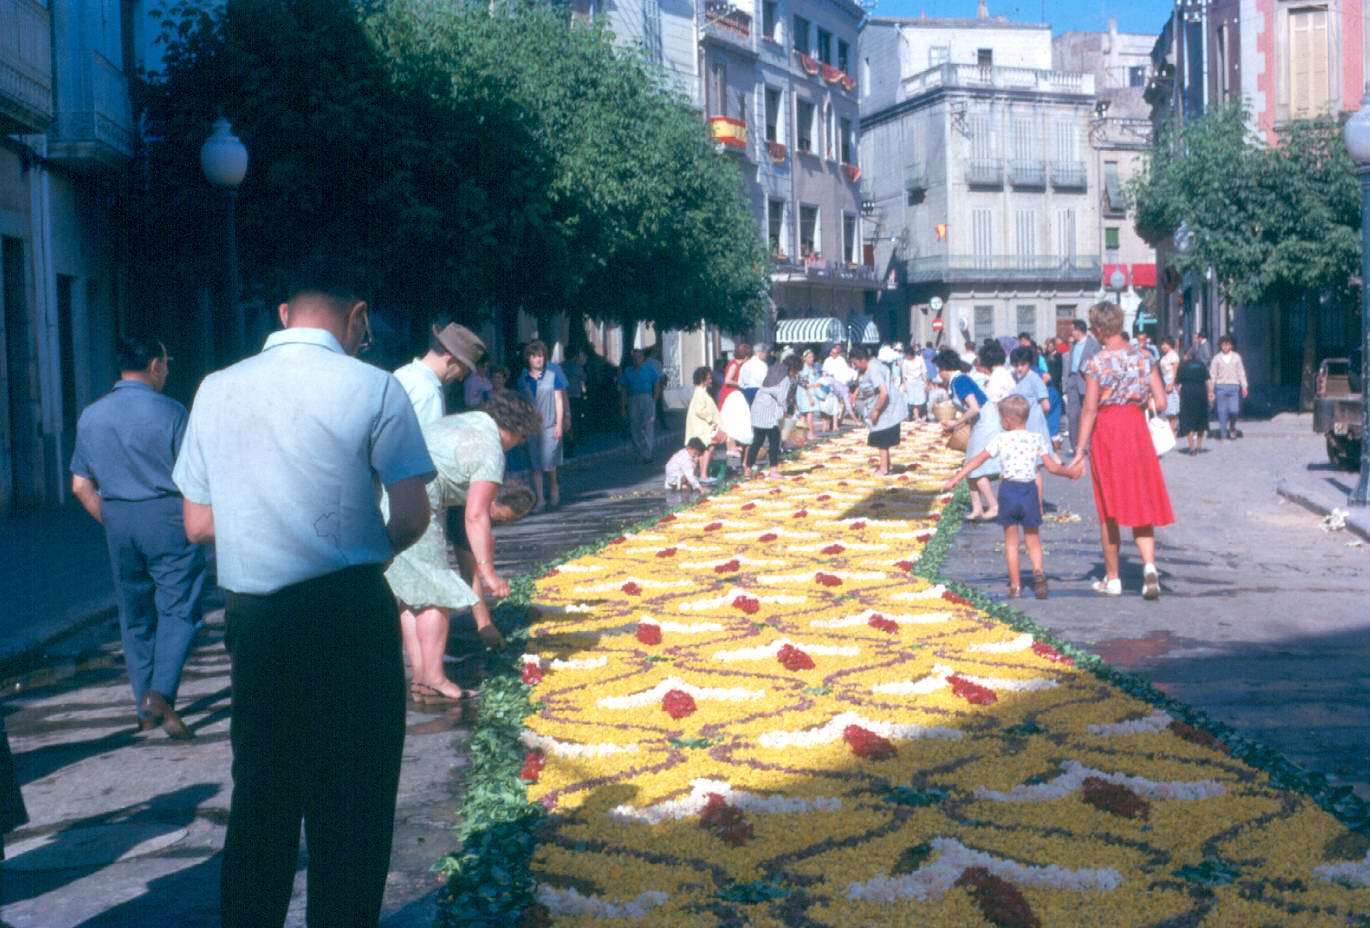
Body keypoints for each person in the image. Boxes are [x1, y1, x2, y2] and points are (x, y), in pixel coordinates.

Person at [172, 258, 438, 926]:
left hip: (257, 621)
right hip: (348, 612)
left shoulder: (215, 388)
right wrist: (365, 554)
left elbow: (198, 522)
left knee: (262, 796)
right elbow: (410, 516)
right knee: (352, 804)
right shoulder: (375, 388)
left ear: (284, 314)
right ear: (356, 317)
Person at [70, 335, 207, 740]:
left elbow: (80, 485)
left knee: (135, 616)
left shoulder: (91, 416)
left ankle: (142, 708)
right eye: (166, 362)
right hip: (167, 517)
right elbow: (193, 478)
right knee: (180, 608)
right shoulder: (171, 412)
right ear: (153, 366)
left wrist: (111, 519)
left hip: (118, 519)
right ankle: (160, 694)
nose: (167, 370)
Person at [387, 392, 541, 705]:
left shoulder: (462, 422)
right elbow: (475, 515)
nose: (518, 444)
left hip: (389, 496)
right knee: (434, 593)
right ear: (512, 430)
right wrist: (489, 573)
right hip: (419, 501)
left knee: (410, 591)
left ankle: (421, 677)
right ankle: (433, 677)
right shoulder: (490, 449)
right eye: (521, 438)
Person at [1067, 301, 1175, 601]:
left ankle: (1113, 578)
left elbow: (1089, 410)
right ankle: (1150, 569)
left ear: (1100, 330)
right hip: (1136, 430)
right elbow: (1163, 403)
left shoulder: (1096, 363)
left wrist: (1079, 449)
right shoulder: (1144, 357)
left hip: (1109, 431)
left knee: (1108, 507)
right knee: (1141, 501)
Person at [942, 394, 1072, 599]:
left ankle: (1015, 585)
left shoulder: (1001, 438)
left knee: (1011, 542)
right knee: (1033, 539)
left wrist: (956, 477)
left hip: (1009, 492)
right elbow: (1050, 467)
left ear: (1005, 421)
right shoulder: (1036, 438)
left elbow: (978, 460)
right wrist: (1070, 473)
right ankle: (1038, 574)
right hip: (1029, 491)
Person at [936, 348, 999, 520]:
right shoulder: (957, 381)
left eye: (938, 370)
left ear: (943, 368)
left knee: (974, 465)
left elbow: (974, 407)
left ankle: (993, 505)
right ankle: (977, 508)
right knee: (969, 463)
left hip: (986, 422)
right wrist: (954, 423)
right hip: (980, 421)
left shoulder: (960, 380)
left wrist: (956, 423)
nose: (938, 374)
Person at [393, 322, 485, 425]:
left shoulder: (402, 372)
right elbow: (428, 440)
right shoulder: (429, 392)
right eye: (463, 370)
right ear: (452, 360)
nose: (461, 377)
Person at [517, 340, 568, 510]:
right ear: (528, 359)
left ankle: (553, 486)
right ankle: (540, 499)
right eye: (534, 357)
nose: (538, 360)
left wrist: (559, 424)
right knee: (535, 464)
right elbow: (522, 406)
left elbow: (559, 401)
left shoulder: (553, 377)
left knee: (548, 462)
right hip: (532, 427)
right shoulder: (522, 380)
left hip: (549, 425)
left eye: (540, 356)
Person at [851, 344, 907, 474]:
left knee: (881, 437)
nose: (855, 366)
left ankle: (884, 468)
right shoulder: (870, 366)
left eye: (855, 363)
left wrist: (876, 410)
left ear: (862, 359)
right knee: (881, 436)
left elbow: (884, 392)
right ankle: (887, 465)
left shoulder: (874, 368)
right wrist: (855, 393)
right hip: (883, 406)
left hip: (885, 407)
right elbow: (863, 382)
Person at [744, 355, 802, 476]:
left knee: (757, 440)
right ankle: (773, 470)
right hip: (769, 411)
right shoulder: (785, 379)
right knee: (775, 440)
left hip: (758, 406)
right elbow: (782, 399)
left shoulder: (773, 372)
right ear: (792, 368)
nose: (795, 374)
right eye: (796, 371)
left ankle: (748, 468)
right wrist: (787, 412)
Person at [618, 348, 662, 463]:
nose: (636, 360)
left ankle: (647, 454)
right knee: (635, 427)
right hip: (633, 399)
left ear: (643, 358)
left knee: (648, 426)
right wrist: (623, 407)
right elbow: (623, 389)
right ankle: (639, 452)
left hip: (647, 398)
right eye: (634, 358)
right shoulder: (628, 371)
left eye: (638, 357)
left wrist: (654, 400)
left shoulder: (649, 369)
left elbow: (656, 384)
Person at [1066, 318, 1101, 453]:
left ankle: (1091, 443)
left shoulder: (1093, 345)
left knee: (1088, 412)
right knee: (1072, 414)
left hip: (1086, 380)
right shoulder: (1073, 344)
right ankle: (1075, 446)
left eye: (1072, 330)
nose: (1071, 333)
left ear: (1078, 330)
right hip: (1073, 379)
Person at [686, 366, 724, 483]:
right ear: (703, 380)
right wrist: (710, 420)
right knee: (708, 449)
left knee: (704, 449)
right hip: (701, 427)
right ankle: (703, 474)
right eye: (708, 378)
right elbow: (699, 410)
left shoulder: (701, 392)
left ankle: (701, 474)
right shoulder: (700, 393)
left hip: (701, 426)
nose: (711, 381)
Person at [1208, 335, 1248, 440]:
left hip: (1234, 387)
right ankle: (1223, 433)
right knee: (1222, 411)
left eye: (1227, 344)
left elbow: (1241, 372)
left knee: (1234, 410)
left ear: (1231, 345)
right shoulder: (1216, 358)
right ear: (1220, 346)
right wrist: (1211, 390)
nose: (1225, 347)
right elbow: (1212, 375)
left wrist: (1244, 386)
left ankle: (1232, 426)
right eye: (1223, 345)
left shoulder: (1237, 357)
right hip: (1220, 387)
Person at [1176, 348, 1211, 455]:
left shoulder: (1182, 366)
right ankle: (1199, 446)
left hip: (1187, 392)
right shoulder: (1201, 365)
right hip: (1201, 392)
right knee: (1201, 418)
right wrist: (1210, 391)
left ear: (1187, 355)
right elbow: (1208, 380)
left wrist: (1178, 394)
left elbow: (1177, 382)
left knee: (1188, 419)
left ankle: (1191, 447)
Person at [562, 347, 588, 455]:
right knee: (575, 420)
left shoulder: (560, 366)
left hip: (563, 396)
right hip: (575, 396)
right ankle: (573, 443)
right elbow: (584, 378)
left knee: (565, 419)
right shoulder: (577, 367)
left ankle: (566, 442)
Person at [1158, 337, 1181, 430]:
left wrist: (1172, 383)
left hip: (1170, 380)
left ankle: (1173, 429)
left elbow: (1175, 370)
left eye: (1165, 344)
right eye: (1162, 344)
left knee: (1172, 408)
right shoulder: (1164, 356)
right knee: (1167, 409)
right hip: (1164, 380)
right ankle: (1170, 429)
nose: (1163, 346)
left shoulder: (1173, 355)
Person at [901, 344, 928, 421]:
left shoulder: (920, 359)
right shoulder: (905, 362)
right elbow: (904, 375)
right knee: (912, 401)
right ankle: (916, 416)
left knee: (920, 400)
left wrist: (926, 383)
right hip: (910, 383)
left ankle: (921, 415)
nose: (907, 356)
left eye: (907, 355)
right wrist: (904, 385)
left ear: (911, 354)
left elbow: (924, 372)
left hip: (919, 382)